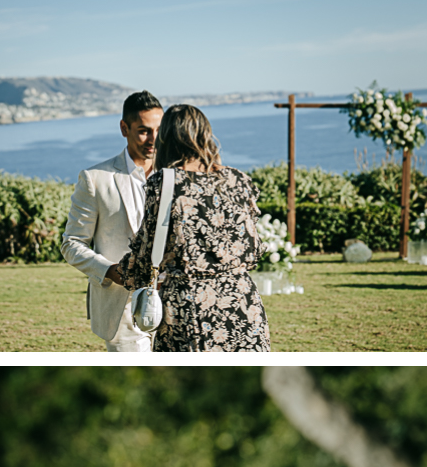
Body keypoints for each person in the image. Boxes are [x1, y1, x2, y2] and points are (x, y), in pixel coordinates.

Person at [105, 104, 270, 352]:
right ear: (205, 135)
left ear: (166, 138)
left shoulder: (166, 182)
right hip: (244, 303)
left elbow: (145, 256)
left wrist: (108, 271)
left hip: (191, 306)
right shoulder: (239, 180)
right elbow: (254, 249)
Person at [61, 91, 164, 351]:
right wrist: (110, 271)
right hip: (122, 312)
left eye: (158, 130)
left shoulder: (177, 176)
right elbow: (72, 243)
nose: (153, 139)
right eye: (143, 131)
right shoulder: (95, 179)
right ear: (124, 128)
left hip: (175, 306)